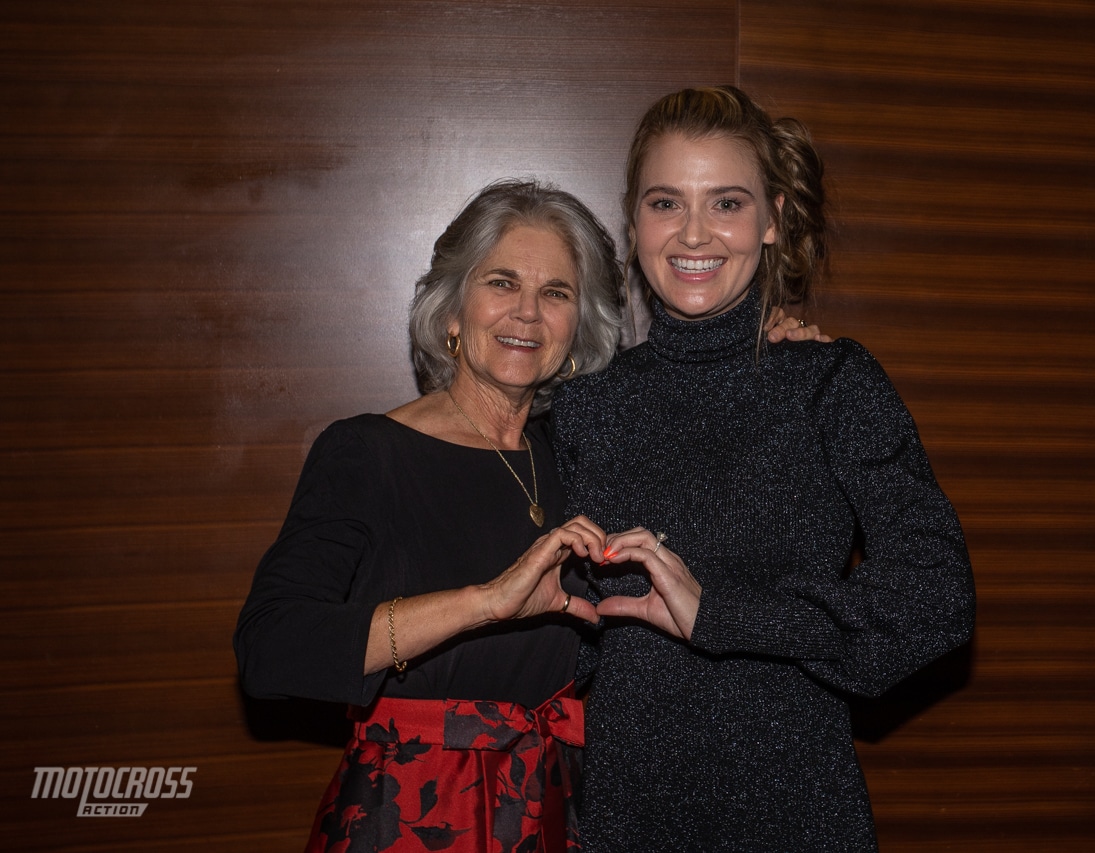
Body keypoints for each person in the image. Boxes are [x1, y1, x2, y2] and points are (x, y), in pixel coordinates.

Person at [551, 86, 977, 852]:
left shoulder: (829, 383)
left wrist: (723, 614)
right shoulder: (585, 407)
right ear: (634, 220)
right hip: (627, 819)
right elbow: (566, 637)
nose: (693, 233)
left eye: (726, 203)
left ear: (773, 218)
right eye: (665, 202)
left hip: (795, 817)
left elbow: (936, 598)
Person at [234, 178, 624, 853]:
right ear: (452, 309)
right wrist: (484, 602)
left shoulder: (577, 461)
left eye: (555, 293)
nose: (528, 314)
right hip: (418, 811)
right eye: (502, 282)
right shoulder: (367, 452)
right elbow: (271, 649)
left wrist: (781, 355)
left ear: (578, 326)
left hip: (557, 806)